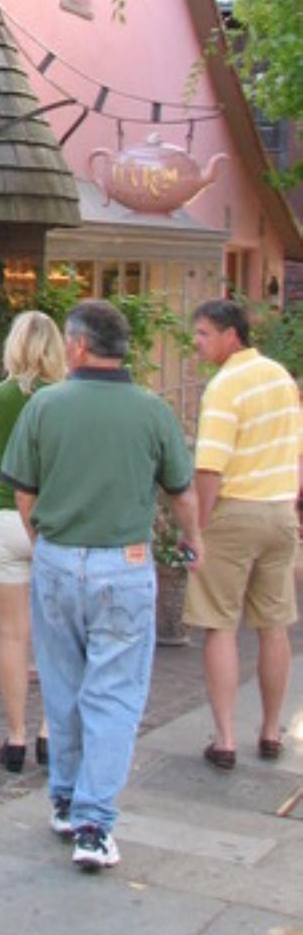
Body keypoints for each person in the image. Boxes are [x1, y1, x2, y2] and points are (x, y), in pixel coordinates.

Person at [3, 300, 202, 873]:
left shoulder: (45, 405)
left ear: (79, 346)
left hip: (58, 557)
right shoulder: (152, 410)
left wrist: (44, 543)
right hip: (125, 562)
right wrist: (193, 539)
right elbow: (181, 492)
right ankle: (94, 824)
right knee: (114, 693)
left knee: (62, 684)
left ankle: (66, 800)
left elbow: (23, 490)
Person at [183, 297, 301, 770]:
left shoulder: (224, 386)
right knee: (274, 625)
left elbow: (210, 466)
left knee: (220, 624)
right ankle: (271, 731)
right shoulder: (280, 377)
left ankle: (226, 738)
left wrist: (198, 527)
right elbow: (295, 447)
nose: (197, 343)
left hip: (235, 510)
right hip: (279, 509)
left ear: (231, 336)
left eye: (204, 334)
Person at [0, 310, 66, 772]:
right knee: (56, 633)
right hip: (53, 519)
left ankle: (15, 738)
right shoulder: (67, 399)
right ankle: (49, 732)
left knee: (12, 634)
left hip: (5, 515)